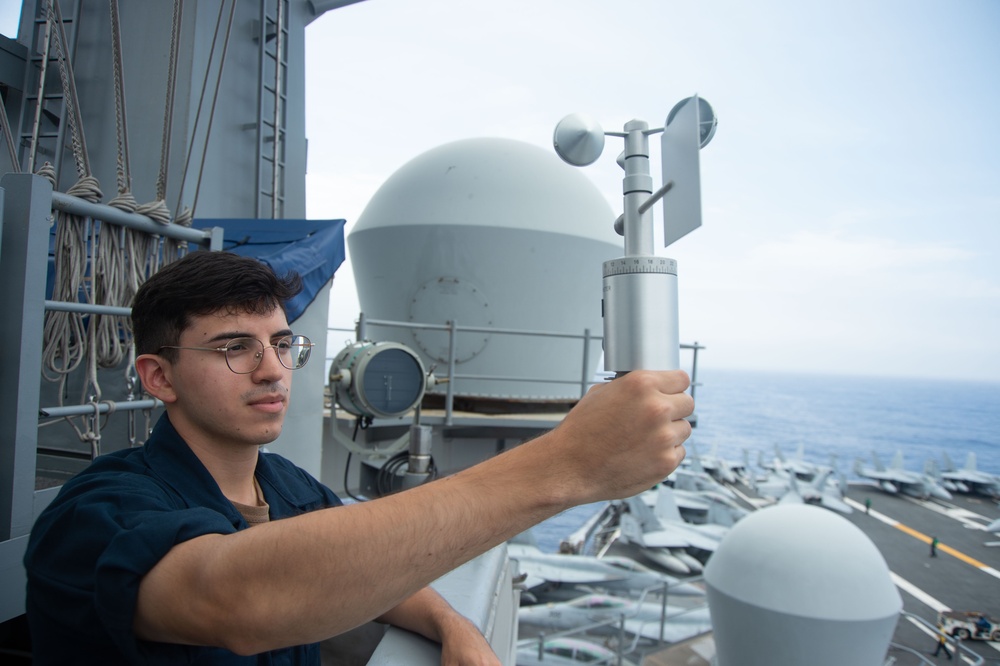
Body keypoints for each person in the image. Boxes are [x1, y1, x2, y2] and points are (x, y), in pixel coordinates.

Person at [24, 251, 693, 664]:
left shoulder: (283, 487)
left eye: (284, 345)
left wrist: (452, 624)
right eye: (235, 348)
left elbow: (374, 564)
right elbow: (236, 598)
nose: (272, 371)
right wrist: (565, 466)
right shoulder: (94, 512)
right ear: (159, 377)